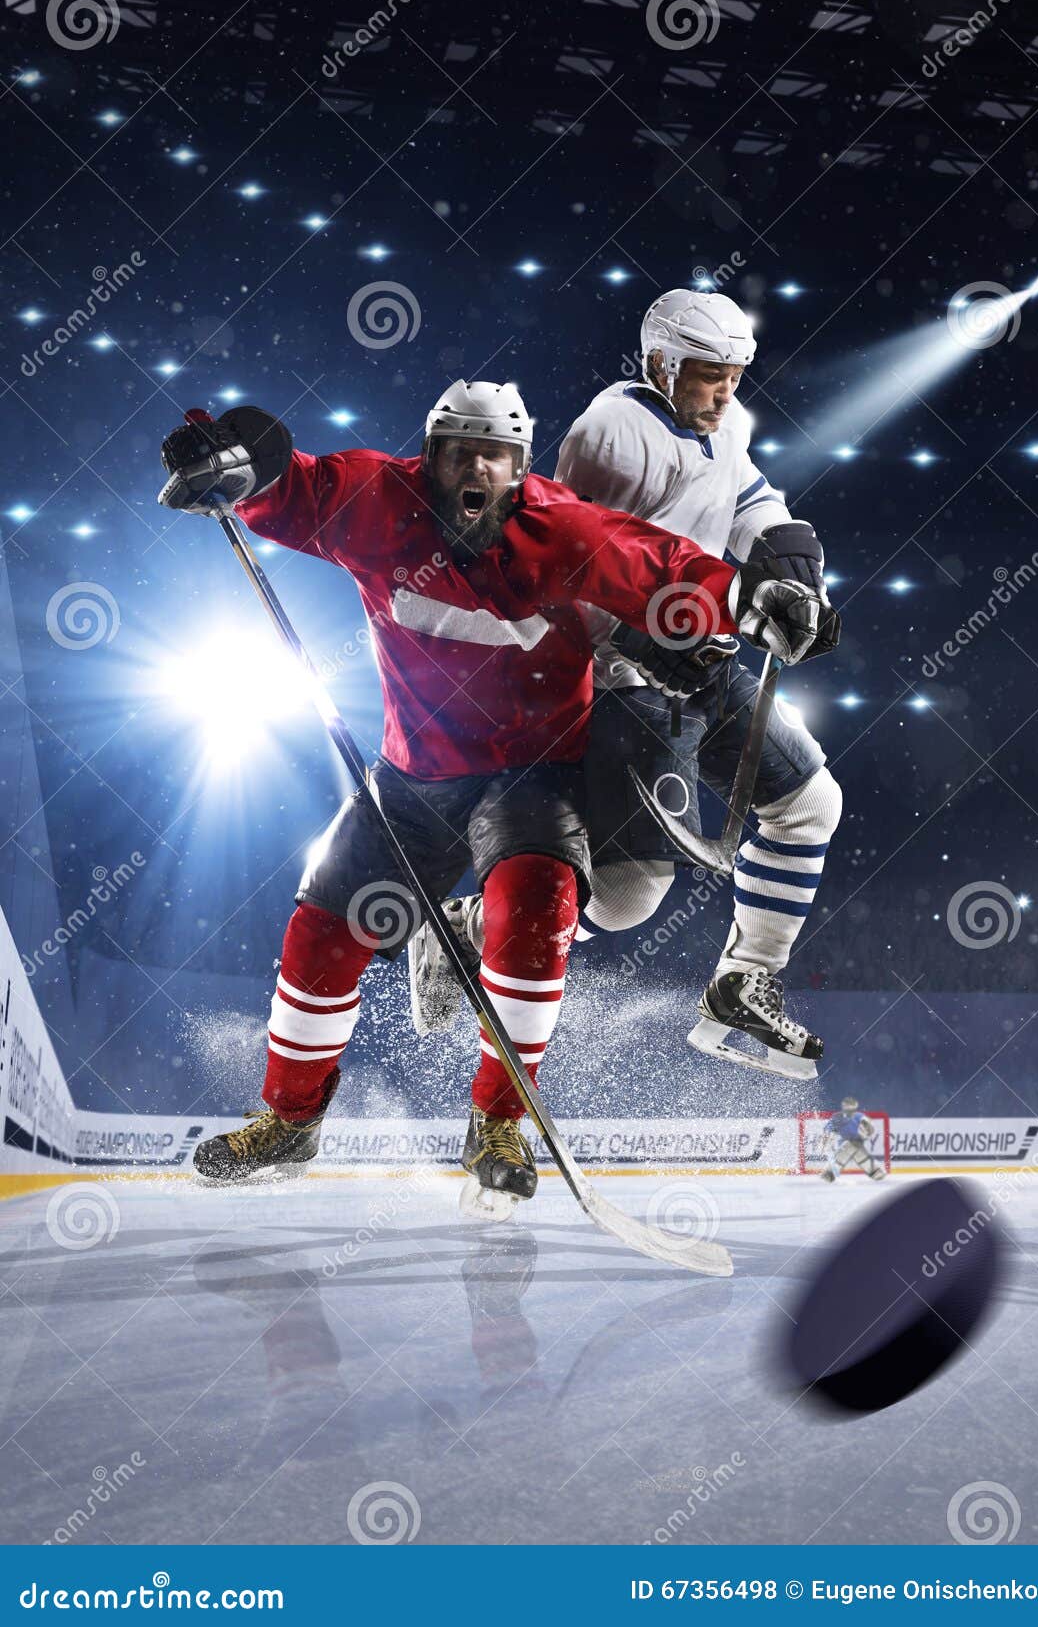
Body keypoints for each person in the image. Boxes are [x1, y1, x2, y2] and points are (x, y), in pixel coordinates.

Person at [158, 380, 831, 1205]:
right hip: (413, 779)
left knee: (535, 914)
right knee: (322, 934)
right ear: (430, 455)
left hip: (531, 778)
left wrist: (751, 598)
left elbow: (660, 565)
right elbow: (289, 482)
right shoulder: (376, 498)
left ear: (520, 464)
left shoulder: (561, 529)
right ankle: (289, 1124)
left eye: (497, 454)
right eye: (459, 451)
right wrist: (230, 462)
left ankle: (497, 1122)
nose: (477, 467)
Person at [410, 292, 841, 1082]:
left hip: (704, 664)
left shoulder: (724, 422)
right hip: (624, 682)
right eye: (708, 375)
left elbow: (745, 496)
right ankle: (465, 927)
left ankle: (743, 981)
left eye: (734, 376)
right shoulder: (613, 431)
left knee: (811, 804)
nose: (723, 393)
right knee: (627, 900)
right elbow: (561, 550)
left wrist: (791, 555)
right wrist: (637, 633)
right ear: (659, 363)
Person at [820, 1099, 887, 1182]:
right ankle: (875, 1171)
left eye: (851, 1108)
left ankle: (829, 1173)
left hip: (856, 1143)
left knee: (855, 1151)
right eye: (847, 1107)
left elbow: (870, 1128)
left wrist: (867, 1130)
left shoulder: (859, 1116)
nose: (849, 1111)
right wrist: (826, 1140)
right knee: (849, 1149)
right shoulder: (838, 1117)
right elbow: (828, 1130)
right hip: (845, 1144)